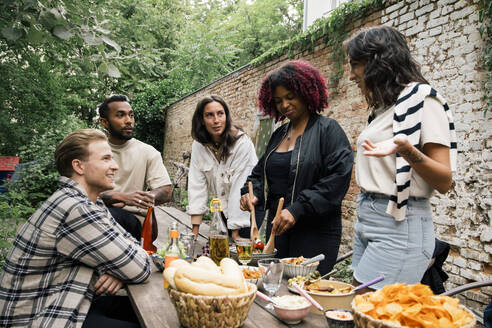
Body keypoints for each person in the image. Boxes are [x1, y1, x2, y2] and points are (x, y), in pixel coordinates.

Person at [344, 26, 457, 291]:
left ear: (378, 62)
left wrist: (406, 149)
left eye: (356, 65)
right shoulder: (384, 108)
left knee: (372, 312)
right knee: (358, 307)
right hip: (369, 216)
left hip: (399, 224)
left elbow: (444, 180)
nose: (350, 75)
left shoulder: (424, 100)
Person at [0, 129, 151, 328]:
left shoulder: (88, 202)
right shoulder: (75, 208)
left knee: (139, 311)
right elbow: (140, 269)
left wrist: (121, 268)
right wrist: (123, 267)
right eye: (106, 159)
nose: (114, 166)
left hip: (65, 298)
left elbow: (130, 245)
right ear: (79, 166)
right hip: (36, 318)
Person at [239, 60, 354, 274]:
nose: (284, 105)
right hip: (278, 232)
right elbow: (258, 174)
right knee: (277, 292)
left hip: (316, 232)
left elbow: (338, 178)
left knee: (306, 294)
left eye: (290, 97)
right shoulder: (278, 135)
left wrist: (298, 208)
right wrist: (249, 194)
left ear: (306, 92)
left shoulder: (328, 130)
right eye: (278, 100)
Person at [99, 95, 172, 240]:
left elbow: (165, 191)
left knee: (106, 218)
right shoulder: (95, 151)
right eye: (120, 115)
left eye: (131, 115)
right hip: (97, 213)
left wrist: (143, 198)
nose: (128, 121)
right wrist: (120, 197)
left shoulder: (148, 152)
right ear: (104, 122)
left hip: (134, 219)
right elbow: (82, 193)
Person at [187, 95, 258, 240]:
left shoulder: (242, 143)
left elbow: (240, 186)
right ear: (201, 119)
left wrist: (235, 233)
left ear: (227, 115)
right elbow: (197, 185)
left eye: (220, 113)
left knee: (240, 253)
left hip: (247, 209)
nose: (216, 120)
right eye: (209, 115)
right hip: (223, 210)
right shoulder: (199, 145)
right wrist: (194, 233)